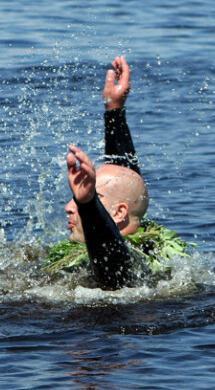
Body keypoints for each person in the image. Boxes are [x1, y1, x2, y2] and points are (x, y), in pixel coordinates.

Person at [46, 57, 192, 290]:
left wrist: (87, 202)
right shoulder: (139, 235)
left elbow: (110, 252)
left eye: (91, 197)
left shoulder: (128, 270)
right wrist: (114, 111)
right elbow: (125, 182)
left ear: (119, 212)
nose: (68, 207)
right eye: (75, 199)